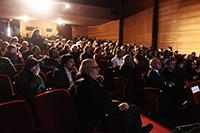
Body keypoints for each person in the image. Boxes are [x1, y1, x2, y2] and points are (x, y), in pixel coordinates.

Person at [70, 59, 152, 133]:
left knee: (131, 109)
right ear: (87, 69)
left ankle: (137, 131)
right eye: (96, 67)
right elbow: (98, 105)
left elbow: (97, 99)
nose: (99, 70)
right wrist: (118, 108)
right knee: (134, 109)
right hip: (100, 120)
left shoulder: (83, 81)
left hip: (99, 115)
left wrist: (98, 83)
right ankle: (138, 130)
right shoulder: (87, 84)